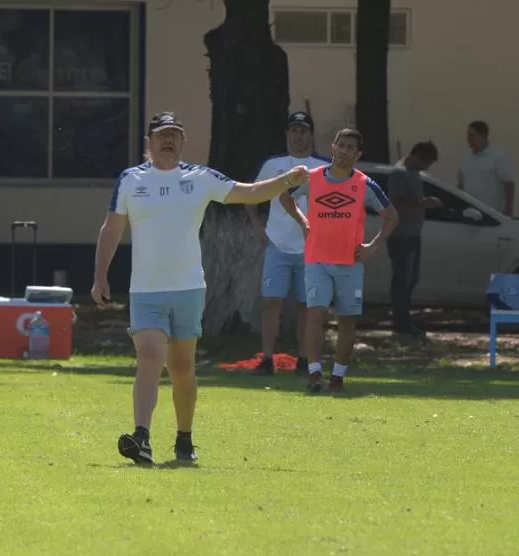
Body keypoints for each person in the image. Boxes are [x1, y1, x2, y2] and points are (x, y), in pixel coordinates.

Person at [93, 112, 309, 465]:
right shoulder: (130, 180)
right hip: (146, 290)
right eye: (162, 135)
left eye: (175, 135)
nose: (169, 140)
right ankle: (142, 437)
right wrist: (100, 275)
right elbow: (112, 229)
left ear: (183, 140)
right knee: (149, 355)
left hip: (189, 287)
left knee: (181, 366)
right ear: (149, 141)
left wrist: (286, 180)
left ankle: (184, 438)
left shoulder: (200, 178)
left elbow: (249, 193)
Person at [278, 128, 399, 393]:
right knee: (315, 314)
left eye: (350, 147)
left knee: (346, 319)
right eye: (340, 145)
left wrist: (373, 246)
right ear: (332, 148)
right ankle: (314, 373)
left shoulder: (365, 184)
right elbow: (285, 197)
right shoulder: (311, 178)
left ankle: (338, 377)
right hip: (317, 259)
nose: (344, 151)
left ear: (358, 154)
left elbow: (392, 216)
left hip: (350, 262)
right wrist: (303, 222)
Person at [246, 111, 330, 376]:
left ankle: (304, 359)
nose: (298, 136)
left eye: (303, 131)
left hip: (310, 248)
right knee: (272, 302)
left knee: (306, 306)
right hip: (278, 245)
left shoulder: (322, 167)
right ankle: (267, 358)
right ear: (287, 134)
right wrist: (260, 228)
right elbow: (251, 196)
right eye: (293, 130)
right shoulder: (274, 164)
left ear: (311, 135)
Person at [386, 141, 441, 336]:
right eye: (427, 163)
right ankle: (401, 323)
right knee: (402, 280)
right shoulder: (399, 173)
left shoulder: (414, 173)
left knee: (411, 279)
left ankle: (404, 319)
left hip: (413, 233)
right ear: (418, 157)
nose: (426, 168)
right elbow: (396, 201)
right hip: (400, 235)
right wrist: (422, 204)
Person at [458, 120, 514, 216]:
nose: (468, 138)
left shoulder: (498, 157)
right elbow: (461, 185)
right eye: (468, 135)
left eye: (471, 135)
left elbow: (508, 184)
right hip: (470, 214)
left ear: (483, 136)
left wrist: (508, 209)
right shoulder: (466, 158)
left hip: (492, 216)